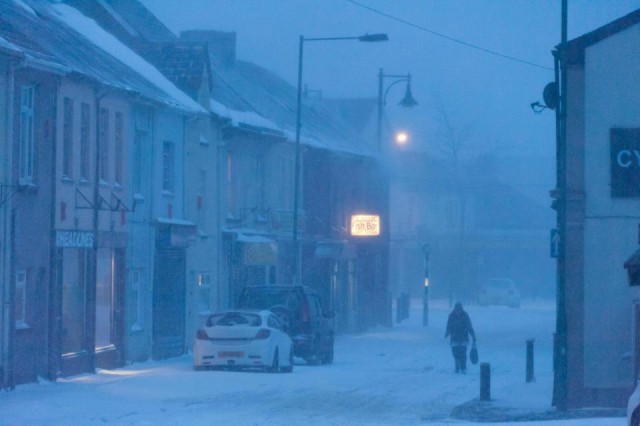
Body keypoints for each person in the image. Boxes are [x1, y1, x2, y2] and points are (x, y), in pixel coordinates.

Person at [445, 302, 476, 373]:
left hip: (463, 338)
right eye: (457, 309)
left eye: (459, 309)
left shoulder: (465, 315)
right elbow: (449, 325)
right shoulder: (451, 316)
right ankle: (457, 366)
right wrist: (447, 332)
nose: (458, 311)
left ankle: (463, 367)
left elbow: (469, 326)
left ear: (461, 309)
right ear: (455, 309)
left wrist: (473, 335)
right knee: (455, 354)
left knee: (463, 354)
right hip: (454, 338)